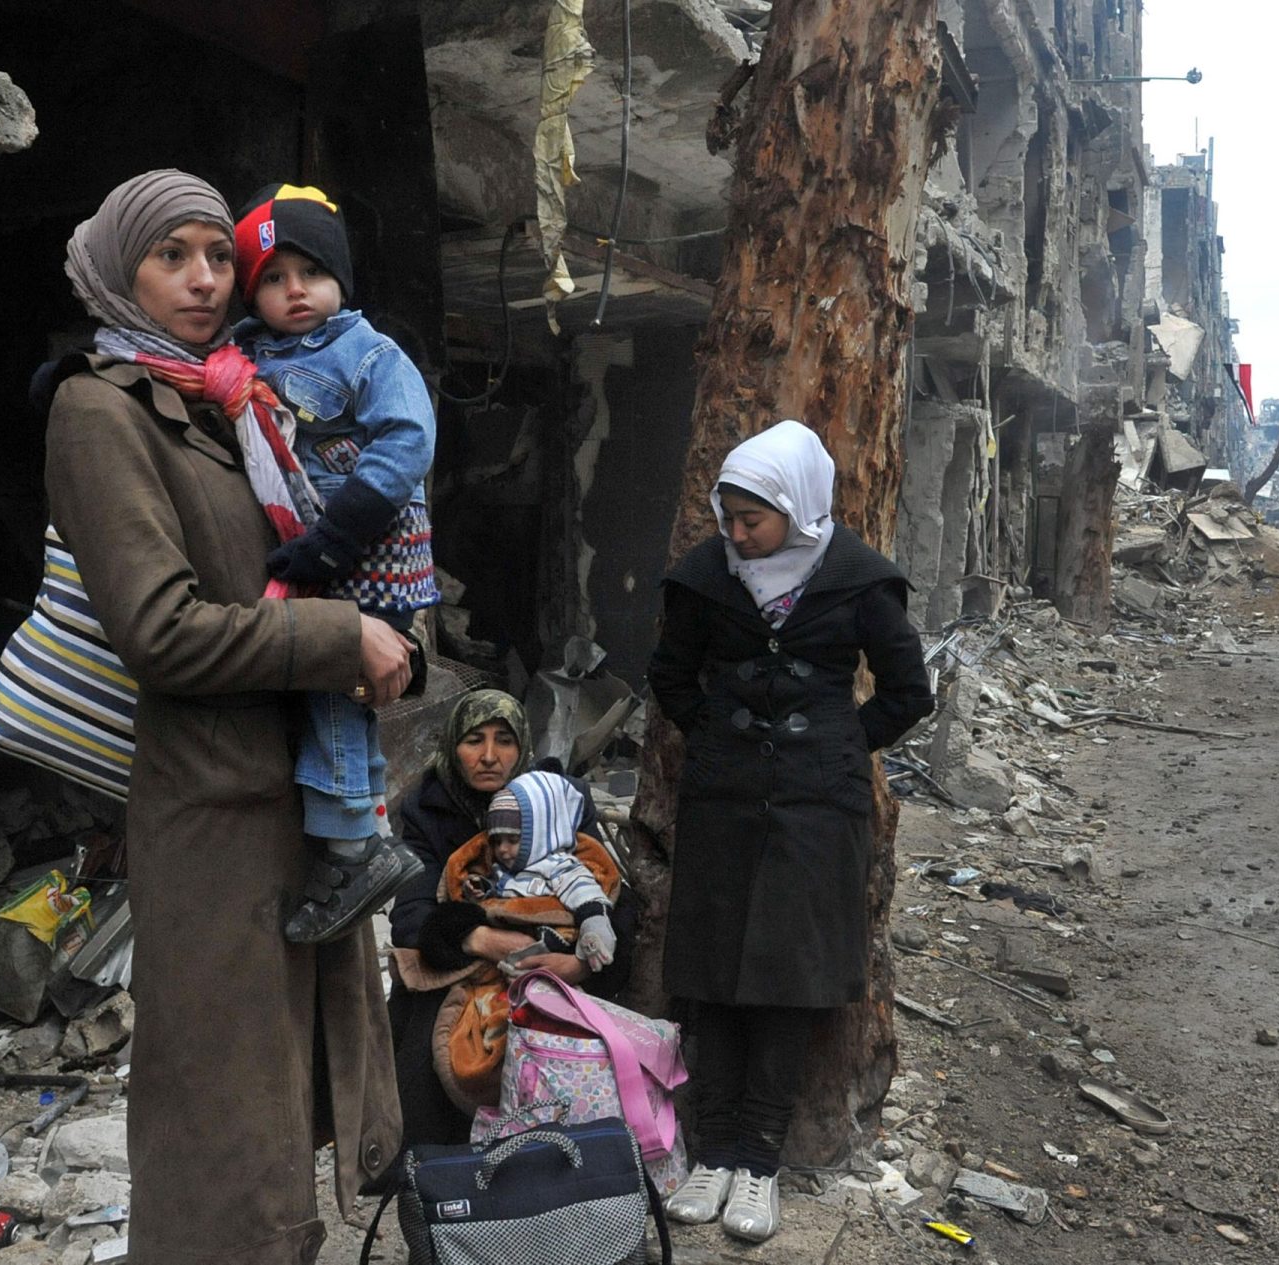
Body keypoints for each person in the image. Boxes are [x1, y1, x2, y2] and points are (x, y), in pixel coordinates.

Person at [44, 170, 408, 1262]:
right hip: (212, 815)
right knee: (220, 1120)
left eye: (217, 254)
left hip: (297, 796)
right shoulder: (100, 406)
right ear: (120, 270)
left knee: (285, 1110)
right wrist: (342, 640)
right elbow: (162, 629)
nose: (207, 279)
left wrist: (396, 635)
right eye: (173, 256)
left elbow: (310, 562)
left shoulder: (231, 395)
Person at [647, 420, 934, 1244]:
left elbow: (909, 691)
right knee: (715, 973)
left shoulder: (858, 582)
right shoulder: (707, 578)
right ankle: (712, 1151)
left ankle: (760, 1162)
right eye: (729, 518)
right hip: (724, 801)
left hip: (817, 813)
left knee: (785, 980)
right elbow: (671, 674)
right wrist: (718, 734)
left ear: (796, 508)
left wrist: (838, 746)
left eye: (753, 521)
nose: (737, 535)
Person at [232, 184, 441, 944]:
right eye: (273, 276)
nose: (294, 290)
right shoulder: (248, 352)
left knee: (334, 693)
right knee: (322, 691)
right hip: (317, 553)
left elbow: (408, 442)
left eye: (310, 272)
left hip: (370, 555)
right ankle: (353, 830)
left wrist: (338, 537)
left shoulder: (368, 352)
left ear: (341, 280)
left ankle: (354, 846)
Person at [387, 690, 633, 1147]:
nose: (488, 756)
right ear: (451, 746)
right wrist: (489, 941)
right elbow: (411, 916)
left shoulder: (558, 800)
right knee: (430, 1063)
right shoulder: (427, 807)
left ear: (522, 746)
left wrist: (576, 963)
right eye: (473, 740)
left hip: (562, 960)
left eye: (504, 740)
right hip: (466, 967)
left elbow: (610, 895)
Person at [469, 772, 618, 969]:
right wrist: (480, 887)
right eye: (497, 841)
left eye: (513, 840)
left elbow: (583, 890)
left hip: (550, 943)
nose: (503, 850)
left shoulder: (557, 865)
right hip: (504, 943)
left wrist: (594, 924)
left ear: (540, 834)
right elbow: (497, 889)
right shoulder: (500, 867)